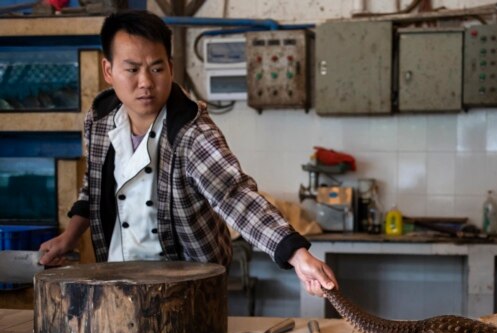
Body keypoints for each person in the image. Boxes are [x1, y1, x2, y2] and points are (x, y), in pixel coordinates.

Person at [39, 9, 336, 296]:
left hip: (188, 289)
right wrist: (70, 237)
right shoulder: (100, 119)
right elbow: (93, 188)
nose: (145, 82)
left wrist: (296, 254)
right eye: (132, 69)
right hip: (117, 280)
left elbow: (234, 195)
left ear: (170, 66)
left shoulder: (190, 131)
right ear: (108, 70)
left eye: (156, 68)